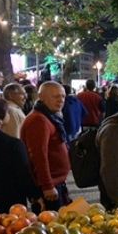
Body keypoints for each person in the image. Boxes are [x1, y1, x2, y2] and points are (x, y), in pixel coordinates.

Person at [20, 81, 71, 211]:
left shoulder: (48, 116)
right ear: (41, 96)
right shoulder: (39, 120)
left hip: (56, 181)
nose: (61, 100)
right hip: (49, 185)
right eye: (56, 96)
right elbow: (38, 155)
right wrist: (47, 185)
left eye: (63, 96)